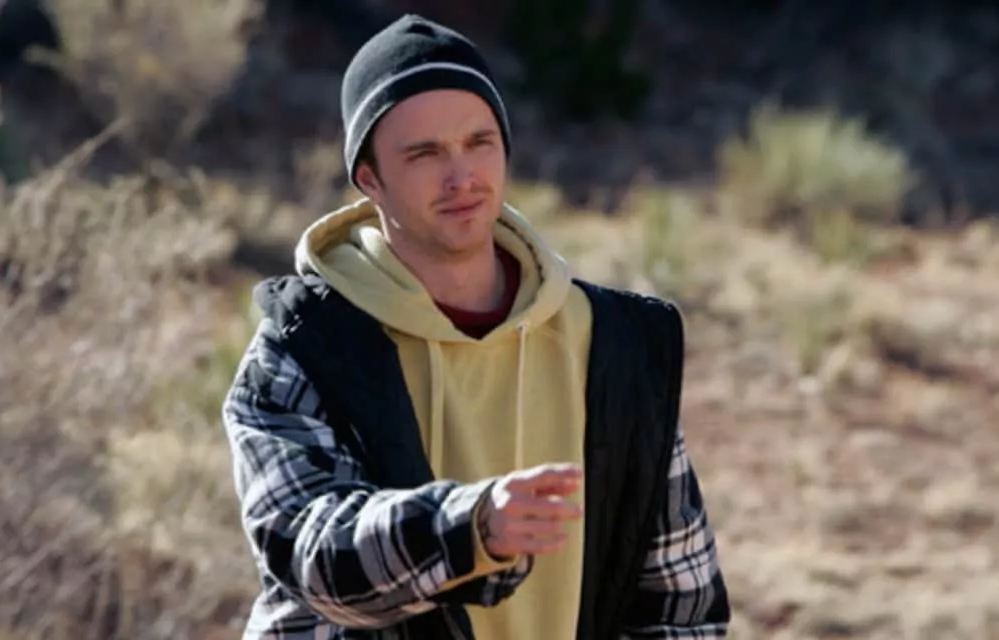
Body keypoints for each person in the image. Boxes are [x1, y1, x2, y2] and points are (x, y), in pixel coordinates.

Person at [221, 13, 730, 640]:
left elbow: (681, 605)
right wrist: (470, 529)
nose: (461, 177)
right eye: (425, 153)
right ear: (370, 179)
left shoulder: (617, 344)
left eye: (479, 143)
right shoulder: (302, 347)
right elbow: (316, 559)